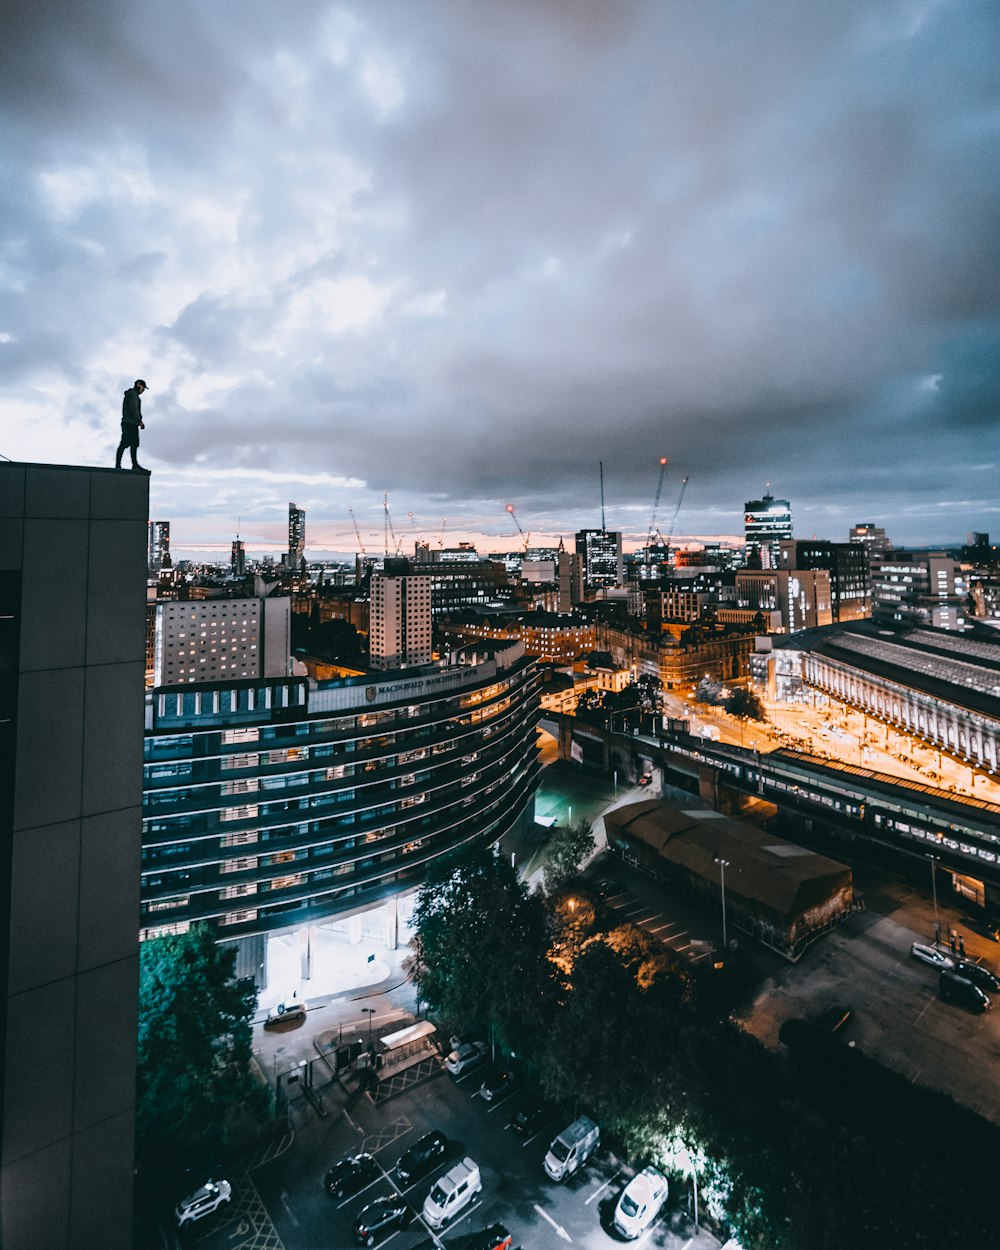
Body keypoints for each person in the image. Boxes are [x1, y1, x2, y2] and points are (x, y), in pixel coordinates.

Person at [115, 379, 151, 472]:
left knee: (126, 443)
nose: (143, 390)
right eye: (143, 387)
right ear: (138, 385)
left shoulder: (132, 395)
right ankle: (133, 465)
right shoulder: (133, 394)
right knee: (132, 443)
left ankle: (119, 465)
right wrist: (139, 421)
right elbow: (133, 408)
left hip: (128, 423)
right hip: (130, 423)